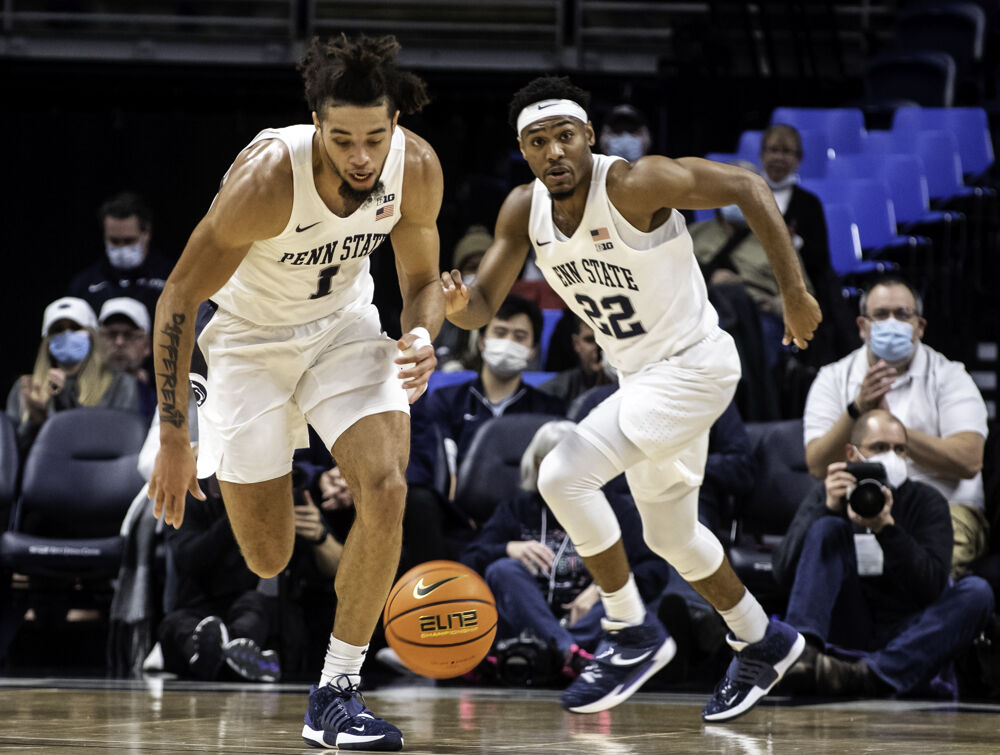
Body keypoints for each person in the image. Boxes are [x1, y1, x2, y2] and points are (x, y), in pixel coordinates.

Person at [441, 75, 821, 721]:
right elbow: (482, 307)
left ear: (588, 137)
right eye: (539, 142)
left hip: (693, 366)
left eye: (566, 136)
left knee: (563, 471)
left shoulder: (634, 183)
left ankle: (630, 632)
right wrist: (460, 306)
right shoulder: (520, 209)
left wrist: (795, 290)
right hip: (641, 378)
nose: (554, 151)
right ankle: (764, 639)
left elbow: (748, 186)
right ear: (524, 151)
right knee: (672, 534)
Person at [146, 34, 444, 752]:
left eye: (375, 136)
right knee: (269, 556)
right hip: (248, 341)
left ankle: (336, 691)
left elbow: (423, 284)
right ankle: (216, 405)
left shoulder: (418, 168)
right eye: (342, 139)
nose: (361, 156)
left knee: (386, 486)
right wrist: (175, 437)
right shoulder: (268, 179)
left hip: (343, 327)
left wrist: (426, 335)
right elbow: (179, 297)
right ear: (316, 124)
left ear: (396, 122)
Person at [773, 409, 994, 697]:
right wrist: (825, 507)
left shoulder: (927, 501)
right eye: (879, 447)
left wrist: (887, 528)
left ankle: (871, 676)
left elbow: (931, 589)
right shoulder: (827, 494)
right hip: (846, 621)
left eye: (900, 449)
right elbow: (782, 574)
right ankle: (802, 659)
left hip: (906, 631)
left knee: (978, 592)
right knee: (827, 528)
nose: (891, 456)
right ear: (852, 454)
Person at [803, 276, 989, 577]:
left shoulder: (951, 377)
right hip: (859, 506)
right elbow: (817, 465)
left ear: (920, 327)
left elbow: (969, 460)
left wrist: (894, 431)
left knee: (924, 571)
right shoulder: (832, 378)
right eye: (881, 315)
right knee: (822, 558)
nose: (892, 322)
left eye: (903, 314)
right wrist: (857, 410)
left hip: (947, 508)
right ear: (863, 326)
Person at [461, 420, 671, 683]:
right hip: (526, 621)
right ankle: (566, 653)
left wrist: (603, 588)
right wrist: (507, 548)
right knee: (502, 569)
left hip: (589, 620)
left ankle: (554, 654)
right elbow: (467, 562)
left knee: (620, 597)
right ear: (538, 465)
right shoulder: (516, 510)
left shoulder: (616, 509)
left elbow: (653, 570)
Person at [420, 293, 566, 489]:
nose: (508, 342)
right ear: (481, 341)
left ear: (532, 350)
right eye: (500, 332)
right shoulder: (446, 401)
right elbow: (436, 463)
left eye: (519, 337)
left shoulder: (549, 411)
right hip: (457, 511)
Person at [6, 296, 140, 454]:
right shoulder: (27, 387)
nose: (67, 335)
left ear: (91, 334)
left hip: (100, 475)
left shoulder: (120, 384)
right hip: (45, 475)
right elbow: (12, 457)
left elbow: (121, 442)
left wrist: (63, 401)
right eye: (57, 330)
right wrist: (37, 420)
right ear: (47, 340)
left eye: (75, 328)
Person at [67, 192, 173, 323]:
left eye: (129, 241)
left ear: (147, 232)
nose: (121, 248)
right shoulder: (84, 285)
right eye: (114, 241)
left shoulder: (171, 279)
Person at [434, 224, 493, 371]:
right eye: (472, 268)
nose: (478, 275)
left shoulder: (512, 311)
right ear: (459, 272)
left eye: (484, 268)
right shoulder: (443, 312)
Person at [98, 297, 156, 421]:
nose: (119, 342)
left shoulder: (162, 406)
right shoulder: (76, 395)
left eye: (129, 335)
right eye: (111, 334)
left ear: (147, 346)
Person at [538, 313, 616, 405]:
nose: (599, 349)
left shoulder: (634, 390)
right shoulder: (551, 393)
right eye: (590, 340)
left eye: (606, 339)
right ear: (576, 343)